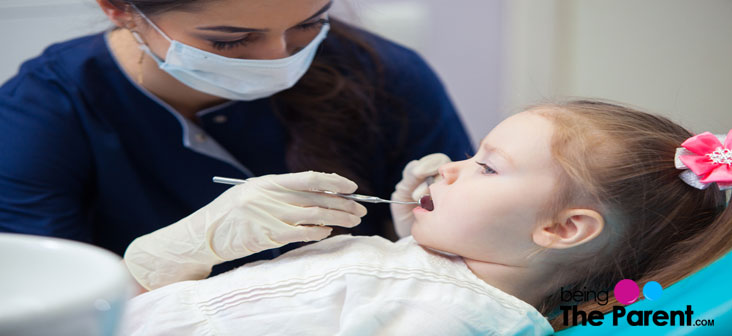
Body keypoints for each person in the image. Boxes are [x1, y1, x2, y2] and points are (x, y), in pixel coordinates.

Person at [119, 100, 732, 334]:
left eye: (487, 167)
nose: (450, 168)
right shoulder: (442, 285)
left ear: (562, 229)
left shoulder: (452, 317)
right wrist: (413, 243)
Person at [0, 0, 473, 274]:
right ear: (120, 9)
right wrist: (164, 258)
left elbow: (490, 256)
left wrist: (441, 233)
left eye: (308, 23)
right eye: (229, 41)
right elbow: (44, 305)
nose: (278, 57)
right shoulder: (42, 112)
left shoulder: (387, 74)